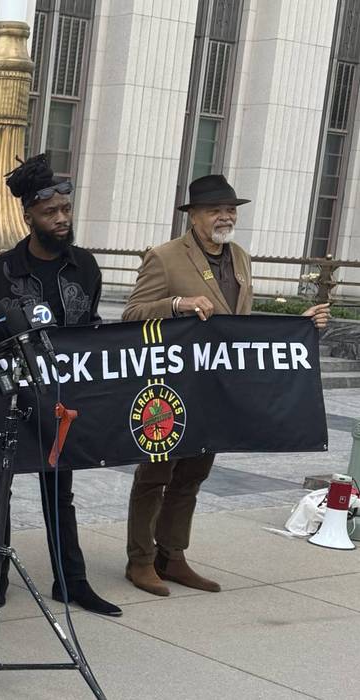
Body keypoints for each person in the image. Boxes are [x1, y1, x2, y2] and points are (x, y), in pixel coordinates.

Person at [121, 174, 330, 596]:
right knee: (155, 474)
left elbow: (241, 324)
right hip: (169, 387)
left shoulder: (240, 257)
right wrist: (176, 305)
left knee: (194, 472)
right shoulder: (163, 257)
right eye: (216, 209)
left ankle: (172, 554)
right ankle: (140, 560)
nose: (225, 216)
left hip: (218, 388)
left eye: (230, 209)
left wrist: (300, 326)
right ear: (193, 216)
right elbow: (131, 314)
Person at [0, 154, 121, 617]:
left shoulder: (85, 266)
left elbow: (91, 323)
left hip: (63, 397)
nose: (60, 219)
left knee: (61, 490)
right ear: (29, 215)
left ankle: (71, 581)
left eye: (66, 211)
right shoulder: (1, 269)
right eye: (50, 212)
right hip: (11, 396)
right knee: (0, 486)